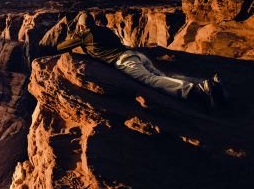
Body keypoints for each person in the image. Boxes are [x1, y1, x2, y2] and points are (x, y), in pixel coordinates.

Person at [25, 12, 228, 111]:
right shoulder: (104, 29)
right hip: (136, 55)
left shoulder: (85, 33)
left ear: (80, 26)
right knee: (161, 75)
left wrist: (76, 37)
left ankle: (196, 90)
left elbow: (60, 48)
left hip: (125, 62)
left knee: (151, 81)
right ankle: (204, 83)